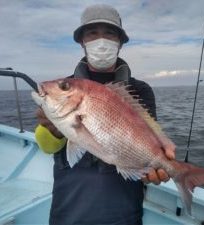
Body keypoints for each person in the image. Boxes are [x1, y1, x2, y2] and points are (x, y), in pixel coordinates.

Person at [35, 4, 175, 225]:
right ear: (82, 41)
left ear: (120, 41)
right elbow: (47, 147)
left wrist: (160, 162)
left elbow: (152, 137)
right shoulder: (64, 89)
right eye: (92, 33)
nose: (101, 40)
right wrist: (52, 128)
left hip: (123, 209)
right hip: (69, 207)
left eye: (109, 33)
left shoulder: (140, 90)